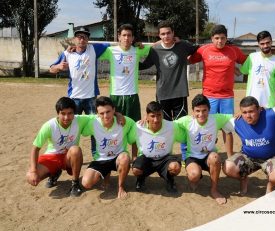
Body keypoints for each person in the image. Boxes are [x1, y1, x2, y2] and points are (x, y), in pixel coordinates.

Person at [139, 20, 198, 159]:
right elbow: (144, 65)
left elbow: (197, 48)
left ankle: (185, 156)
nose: (166, 36)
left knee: (182, 127)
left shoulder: (183, 46)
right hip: (162, 94)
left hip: (180, 93)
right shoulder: (154, 50)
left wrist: (181, 40)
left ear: (173, 33)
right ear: (159, 36)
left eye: (168, 33)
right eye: (163, 34)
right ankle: (165, 154)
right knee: (163, 127)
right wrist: (128, 62)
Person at [49, 27, 110, 157]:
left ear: (88, 39)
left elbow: (113, 44)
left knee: (96, 127)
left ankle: (96, 155)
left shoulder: (94, 49)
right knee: (70, 128)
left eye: (85, 37)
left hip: (91, 98)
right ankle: (68, 155)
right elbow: (51, 69)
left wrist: (135, 43)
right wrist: (59, 67)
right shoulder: (67, 54)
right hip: (74, 99)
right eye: (79, 37)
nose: (82, 39)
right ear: (74, 39)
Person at [189, 24, 247, 157]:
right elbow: (189, 59)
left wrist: (238, 70)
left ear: (226, 38)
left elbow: (247, 62)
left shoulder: (234, 51)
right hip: (209, 95)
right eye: (216, 38)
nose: (219, 41)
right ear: (212, 38)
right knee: (208, 127)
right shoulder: (204, 50)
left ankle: (230, 156)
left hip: (227, 96)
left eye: (222, 38)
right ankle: (206, 154)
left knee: (227, 128)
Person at [99, 23, 151, 158]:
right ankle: (116, 156)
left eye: (129, 36)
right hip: (115, 96)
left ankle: (135, 158)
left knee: (135, 128)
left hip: (132, 96)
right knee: (115, 128)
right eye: (124, 35)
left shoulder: (137, 50)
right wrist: (73, 48)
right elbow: (92, 52)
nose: (126, 38)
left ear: (133, 38)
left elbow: (157, 46)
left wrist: (173, 40)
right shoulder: (110, 51)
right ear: (119, 37)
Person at [176, 94, 233, 205]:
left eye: (204, 110)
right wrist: (146, 119)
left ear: (209, 110)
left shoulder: (216, 119)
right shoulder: (186, 121)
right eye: (197, 111)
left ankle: (214, 190)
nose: (201, 114)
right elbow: (167, 125)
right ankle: (196, 175)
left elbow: (233, 118)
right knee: (194, 176)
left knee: (215, 157)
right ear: (192, 111)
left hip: (209, 156)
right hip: (192, 157)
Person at [26, 97, 87, 197]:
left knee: (76, 150)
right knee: (30, 177)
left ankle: (75, 183)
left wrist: (117, 114)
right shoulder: (49, 125)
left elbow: (99, 116)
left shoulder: (80, 120)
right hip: (52, 156)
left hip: (68, 156)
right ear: (58, 113)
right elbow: (35, 148)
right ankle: (54, 173)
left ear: (74, 113)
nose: (66, 117)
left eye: (70, 113)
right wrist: (33, 171)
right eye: (63, 113)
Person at [81, 96, 135, 199]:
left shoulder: (124, 122)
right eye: (101, 113)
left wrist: (135, 156)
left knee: (125, 158)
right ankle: (106, 176)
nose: (105, 116)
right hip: (101, 159)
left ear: (114, 110)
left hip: (118, 158)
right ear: (97, 113)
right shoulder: (93, 123)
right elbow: (80, 125)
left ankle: (121, 187)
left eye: (108, 112)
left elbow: (137, 126)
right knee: (86, 183)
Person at [130, 101, 185, 193]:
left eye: (159, 115)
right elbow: (132, 140)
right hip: (146, 158)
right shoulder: (138, 126)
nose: (156, 119)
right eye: (152, 116)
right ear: (146, 116)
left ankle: (170, 180)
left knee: (175, 167)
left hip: (165, 159)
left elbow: (185, 137)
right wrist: (134, 156)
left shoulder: (172, 126)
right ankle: (141, 179)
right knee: (136, 169)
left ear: (162, 114)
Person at [240, 30, 275, 108]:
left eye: (268, 42)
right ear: (258, 44)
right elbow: (242, 72)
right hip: (251, 103)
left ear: (271, 42)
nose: (265, 46)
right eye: (262, 43)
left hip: (268, 105)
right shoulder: (251, 57)